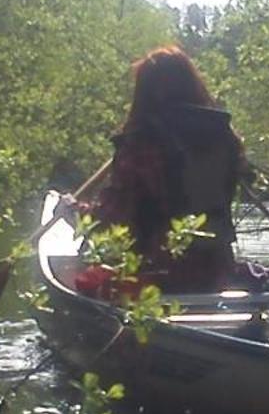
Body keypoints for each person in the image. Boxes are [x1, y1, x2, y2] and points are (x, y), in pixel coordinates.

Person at [84, 45, 246, 293]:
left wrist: (74, 213)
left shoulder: (141, 143)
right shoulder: (226, 138)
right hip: (218, 273)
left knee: (92, 277)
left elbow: (112, 221)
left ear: (146, 94)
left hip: (156, 278)